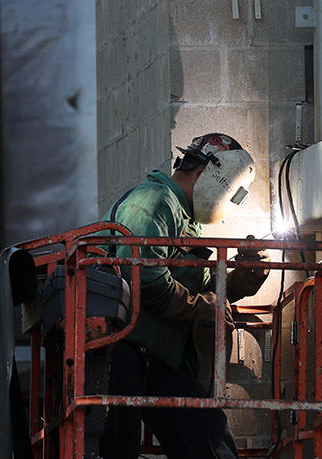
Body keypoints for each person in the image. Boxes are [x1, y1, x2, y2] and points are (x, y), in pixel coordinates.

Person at [98, 133, 270, 459]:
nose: (228, 203)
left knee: (210, 443)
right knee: (115, 449)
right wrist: (202, 307)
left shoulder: (188, 224)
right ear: (208, 173)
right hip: (117, 349)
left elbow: (201, 287)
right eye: (230, 192)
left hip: (161, 355)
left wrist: (240, 277)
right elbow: (146, 280)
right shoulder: (153, 200)